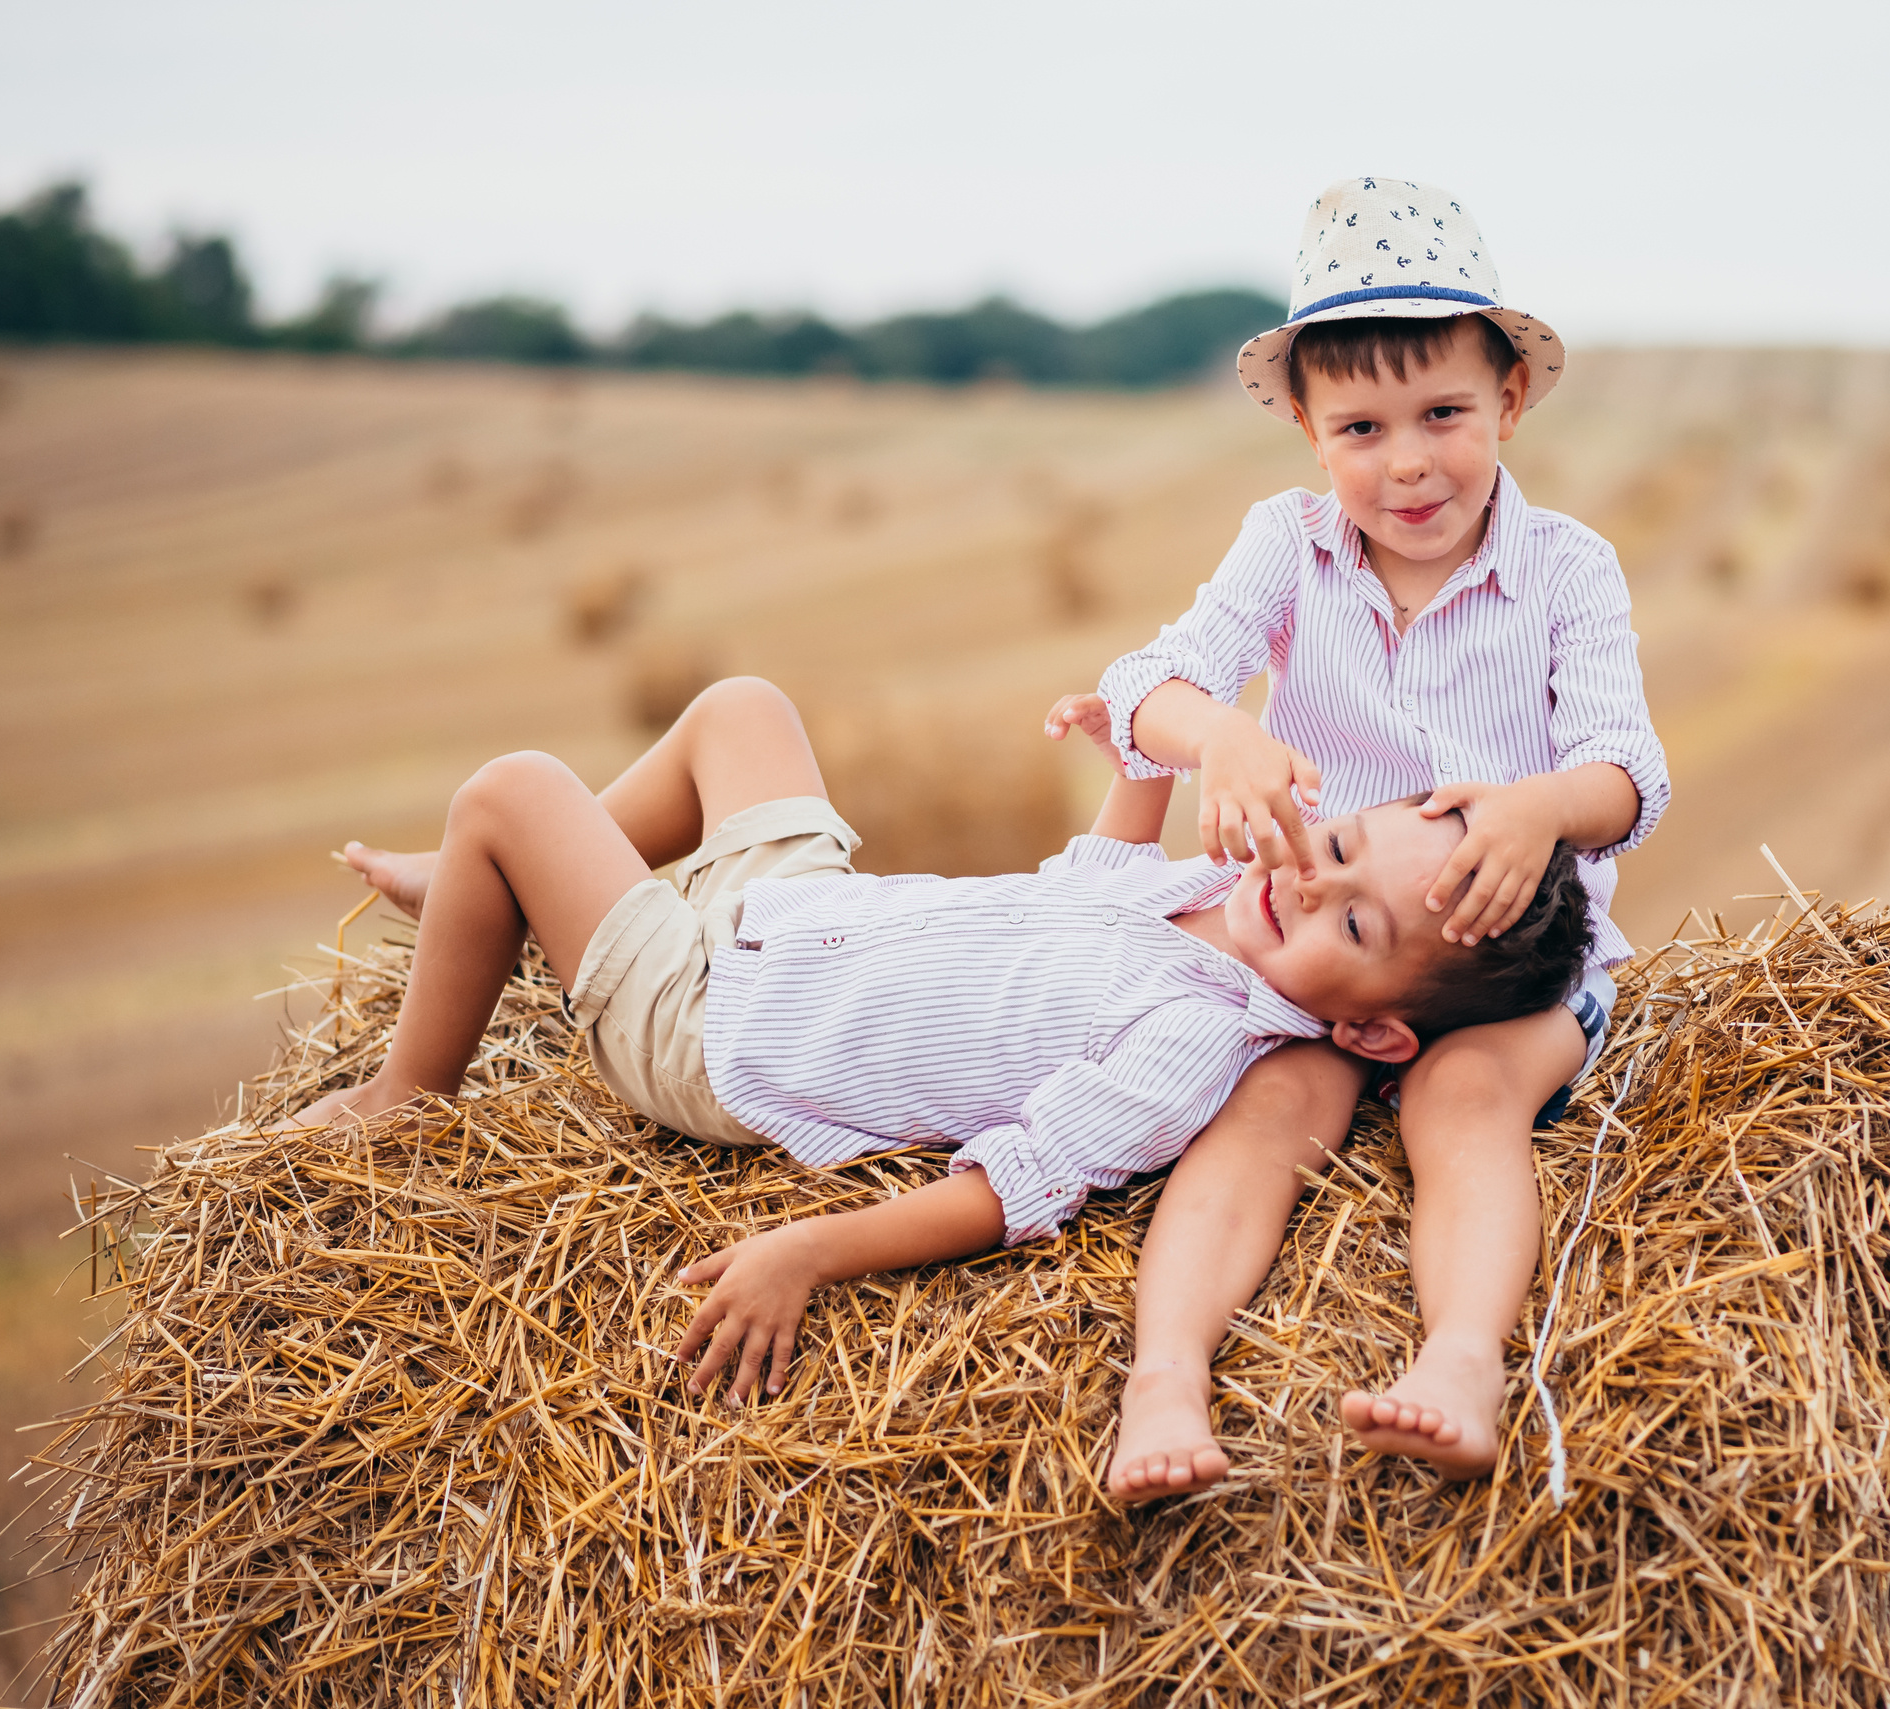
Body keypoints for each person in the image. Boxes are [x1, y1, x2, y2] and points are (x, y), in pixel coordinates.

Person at [299, 674, 1590, 1404]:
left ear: (1365, 1024)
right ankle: (493, 890)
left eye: (1353, 920)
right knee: (744, 708)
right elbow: (1086, 878)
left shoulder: (1193, 1044)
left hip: (724, 1026)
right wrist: (1129, 747)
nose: (1312, 882)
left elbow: (1010, 1187)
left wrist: (812, 1250)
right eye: (1347, 847)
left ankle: (413, 1077)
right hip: (801, 915)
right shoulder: (1201, 897)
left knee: (513, 786)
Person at [1045, 177, 1668, 1498]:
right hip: (1323, 950)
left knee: (1464, 1098)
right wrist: (1218, 736)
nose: (1408, 462)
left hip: (1508, 963)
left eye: (1444, 414)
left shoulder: (1569, 567)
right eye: (1362, 427)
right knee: (1267, 1115)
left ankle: (1460, 1362)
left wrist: (1538, 806)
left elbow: (1629, 776)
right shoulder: (1288, 544)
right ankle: (1166, 1376)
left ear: (1507, 399)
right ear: (1308, 432)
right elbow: (1148, 680)